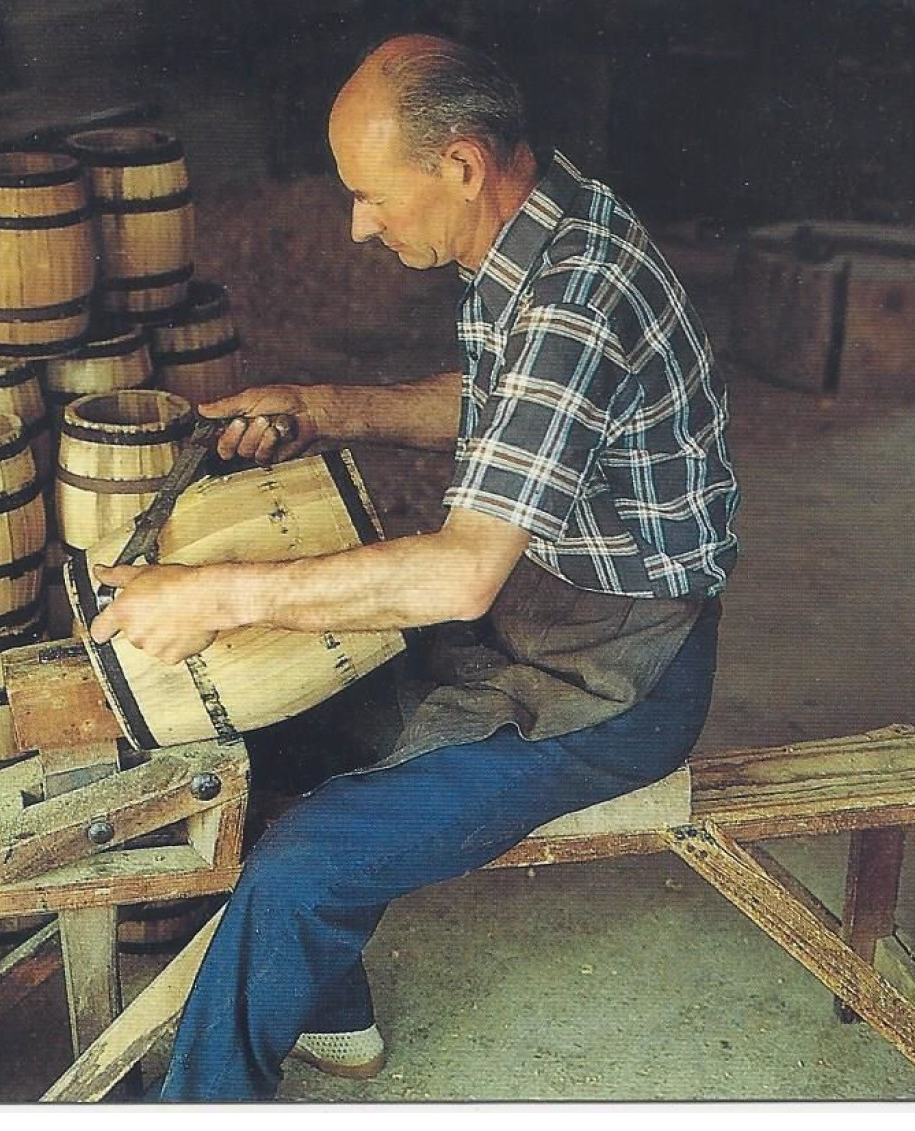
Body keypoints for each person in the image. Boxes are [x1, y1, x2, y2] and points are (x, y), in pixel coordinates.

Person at [87, 32, 739, 1102]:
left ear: (461, 164)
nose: (359, 220)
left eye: (369, 193)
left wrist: (220, 592)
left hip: (620, 677)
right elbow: (506, 411)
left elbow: (461, 574)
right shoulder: (535, 228)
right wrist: (328, 410)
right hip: (534, 622)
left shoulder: (575, 290)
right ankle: (335, 1024)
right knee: (268, 739)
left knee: (307, 860)